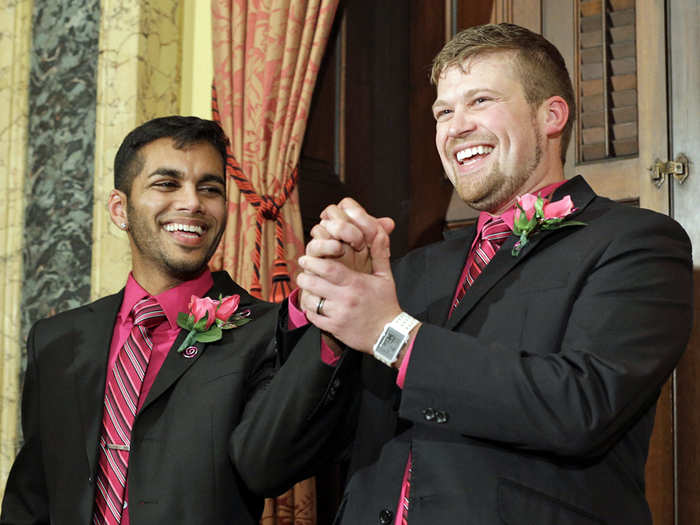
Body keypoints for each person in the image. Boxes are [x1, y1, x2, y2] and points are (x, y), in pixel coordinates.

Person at [235, 24, 694, 524]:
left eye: (479, 101)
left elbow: (582, 407)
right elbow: (264, 464)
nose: (456, 127)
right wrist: (333, 318)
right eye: (443, 111)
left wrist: (392, 335)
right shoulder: (407, 274)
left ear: (551, 115)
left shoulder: (636, 242)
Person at [0, 116, 354, 525]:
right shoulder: (57, 340)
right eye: (167, 184)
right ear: (120, 209)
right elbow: (31, 499)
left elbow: (269, 469)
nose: (193, 203)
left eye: (210, 188)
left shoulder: (267, 330)